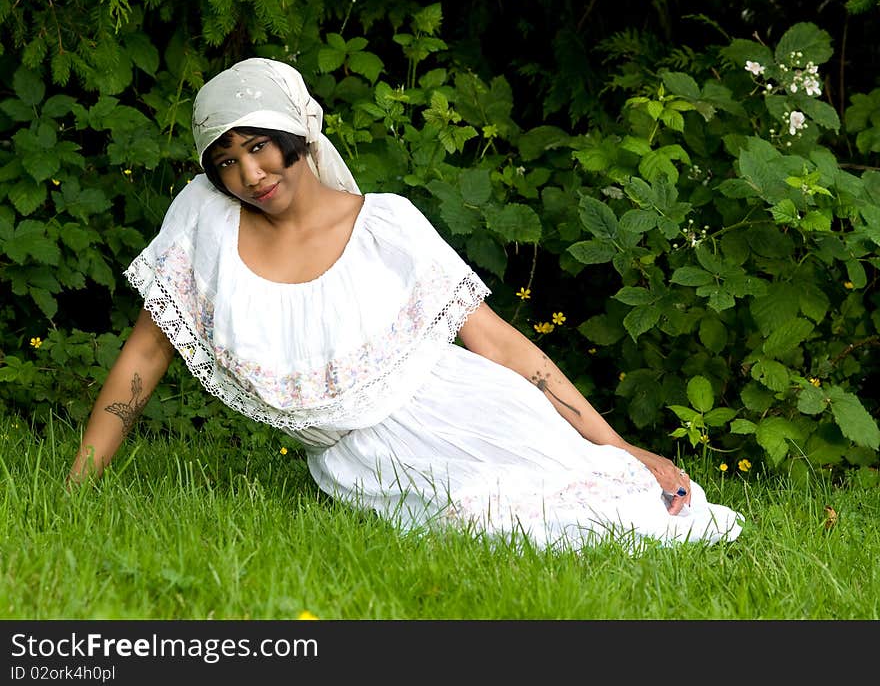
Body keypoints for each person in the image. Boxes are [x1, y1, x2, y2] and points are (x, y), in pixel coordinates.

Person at [68, 57, 743, 551]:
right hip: (359, 458)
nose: (248, 174)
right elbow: (145, 352)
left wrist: (623, 445)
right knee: (495, 522)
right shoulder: (205, 225)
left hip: (467, 404)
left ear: (294, 132)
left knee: (624, 504)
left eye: (257, 145)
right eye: (224, 160)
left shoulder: (386, 225)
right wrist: (75, 490)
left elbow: (499, 343)